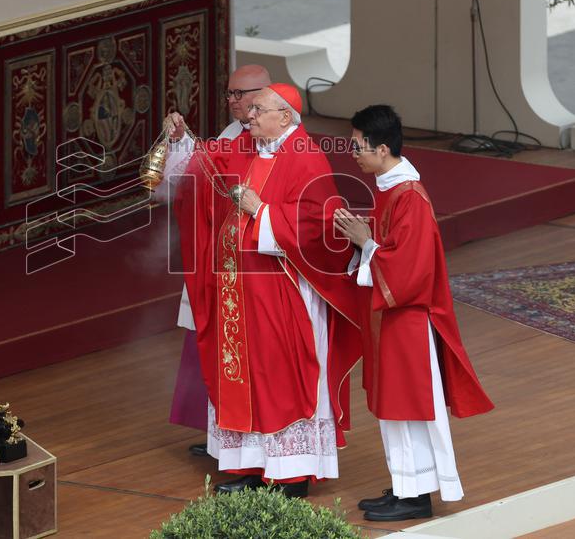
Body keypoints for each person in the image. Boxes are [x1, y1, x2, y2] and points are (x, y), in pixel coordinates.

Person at [166, 83, 361, 498]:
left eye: (257, 109)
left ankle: (290, 475)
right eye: (249, 109)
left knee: (281, 377)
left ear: (285, 116)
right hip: (245, 295)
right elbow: (208, 165)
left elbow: (319, 225)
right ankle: (253, 467)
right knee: (249, 375)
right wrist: (182, 138)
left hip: (285, 293)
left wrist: (264, 213)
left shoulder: (307, 157)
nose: (248, 116)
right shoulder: (252, 148)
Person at [333, 104, 494, 521]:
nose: (352, 153)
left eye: (357, 146)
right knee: (393, 406)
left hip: (408, 318)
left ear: (382, 148)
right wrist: (361, 244)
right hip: (391, 318)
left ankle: (417, 495)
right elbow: (385, 252)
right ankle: (405, 485)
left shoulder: (410, 198)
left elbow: (410, 270)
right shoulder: (390, 186)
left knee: (410, 407)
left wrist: (366, 243)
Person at [166, 64, 272, 457]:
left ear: (264, 94)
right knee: (210, 347)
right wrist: (181, 140)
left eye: (240, 95)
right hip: (218, 253)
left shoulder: (279, 137)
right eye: (228, 94)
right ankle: (220, 440)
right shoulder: (232, 133)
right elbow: (200, 170)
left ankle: (246, 446)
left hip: (253, 263)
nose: (233, 102)